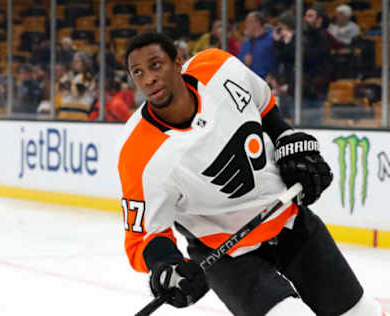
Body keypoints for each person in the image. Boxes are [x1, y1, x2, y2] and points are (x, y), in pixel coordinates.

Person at [116, 32, 382, 315]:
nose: (148, 79)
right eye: (138, 72)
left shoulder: (218, 69)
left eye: (156, 65)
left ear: (178, 61)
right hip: (228, 254)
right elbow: (144, 237)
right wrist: (166, 267)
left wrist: (289, 144)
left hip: (290, 221)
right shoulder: (138, 152)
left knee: (361, 313)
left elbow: (266, 108)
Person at [238, 11, 275, 79]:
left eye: (248, 22)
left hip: (267, 82)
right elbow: (239, 62)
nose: (246, 25)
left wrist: (272, 75)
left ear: (256, 23)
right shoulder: (246, 43)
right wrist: (244, 61)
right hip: (249, 83)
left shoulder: (271, 39)